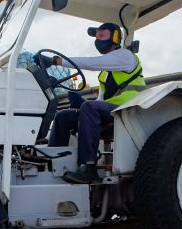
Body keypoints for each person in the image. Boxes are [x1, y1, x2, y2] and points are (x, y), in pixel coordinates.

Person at [44, 23, 145, 184]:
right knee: (63, 116)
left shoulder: (126, 56)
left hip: (130, 110)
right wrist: (82, 102)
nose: (98, 41)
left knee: (89, 107)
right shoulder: (105, 72)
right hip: (112, 111)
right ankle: (52, 163)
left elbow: (90, 63)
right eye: (96, 37)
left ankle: (88, 167)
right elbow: (101, 102)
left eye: (102, 36)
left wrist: (56, 61)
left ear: (115, 38)